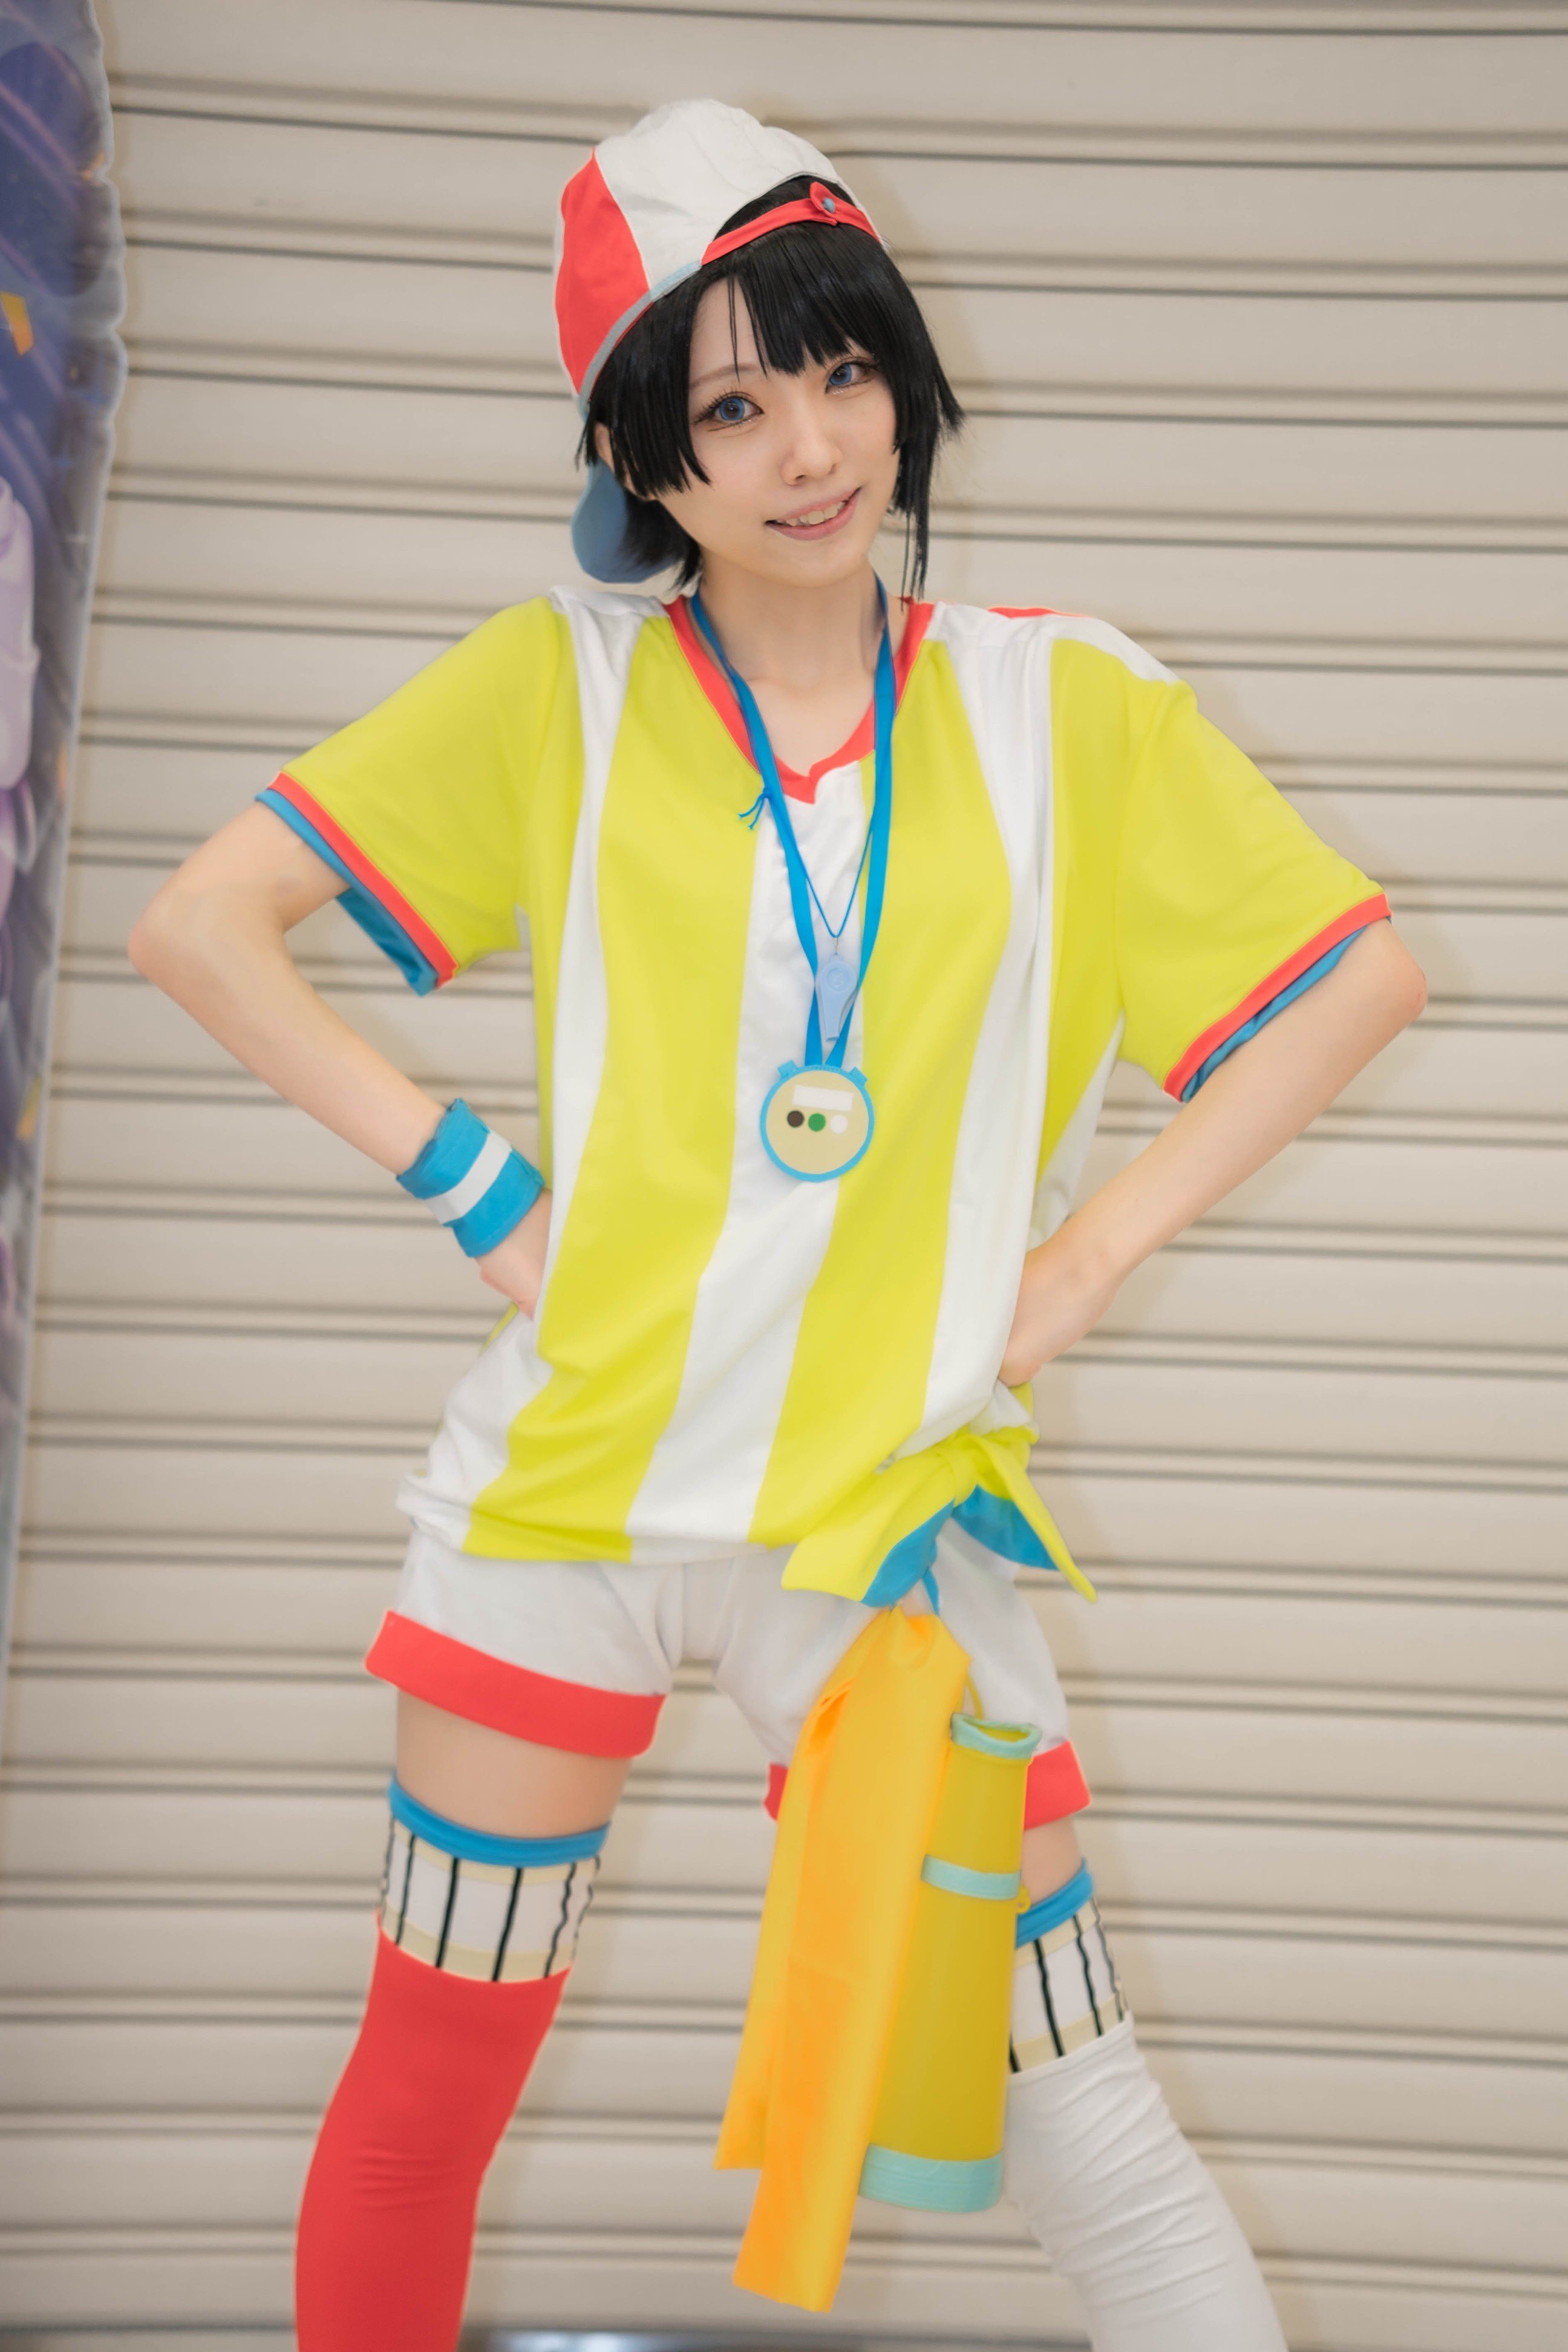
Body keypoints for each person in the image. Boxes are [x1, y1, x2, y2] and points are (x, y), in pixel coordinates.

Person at [128, 98, 1426, 2352]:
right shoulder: (558, 685)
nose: (812, 448)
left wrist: (1081, 1264)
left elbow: (1357, 982)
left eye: (840, 370)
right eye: (730, 406)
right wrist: (475, 1186)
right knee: (428, 2099)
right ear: (639, 453)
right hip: (573, 1493)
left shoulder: (1063, 702)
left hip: (882, 1514)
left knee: (1086, 2122)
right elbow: (201, 924)